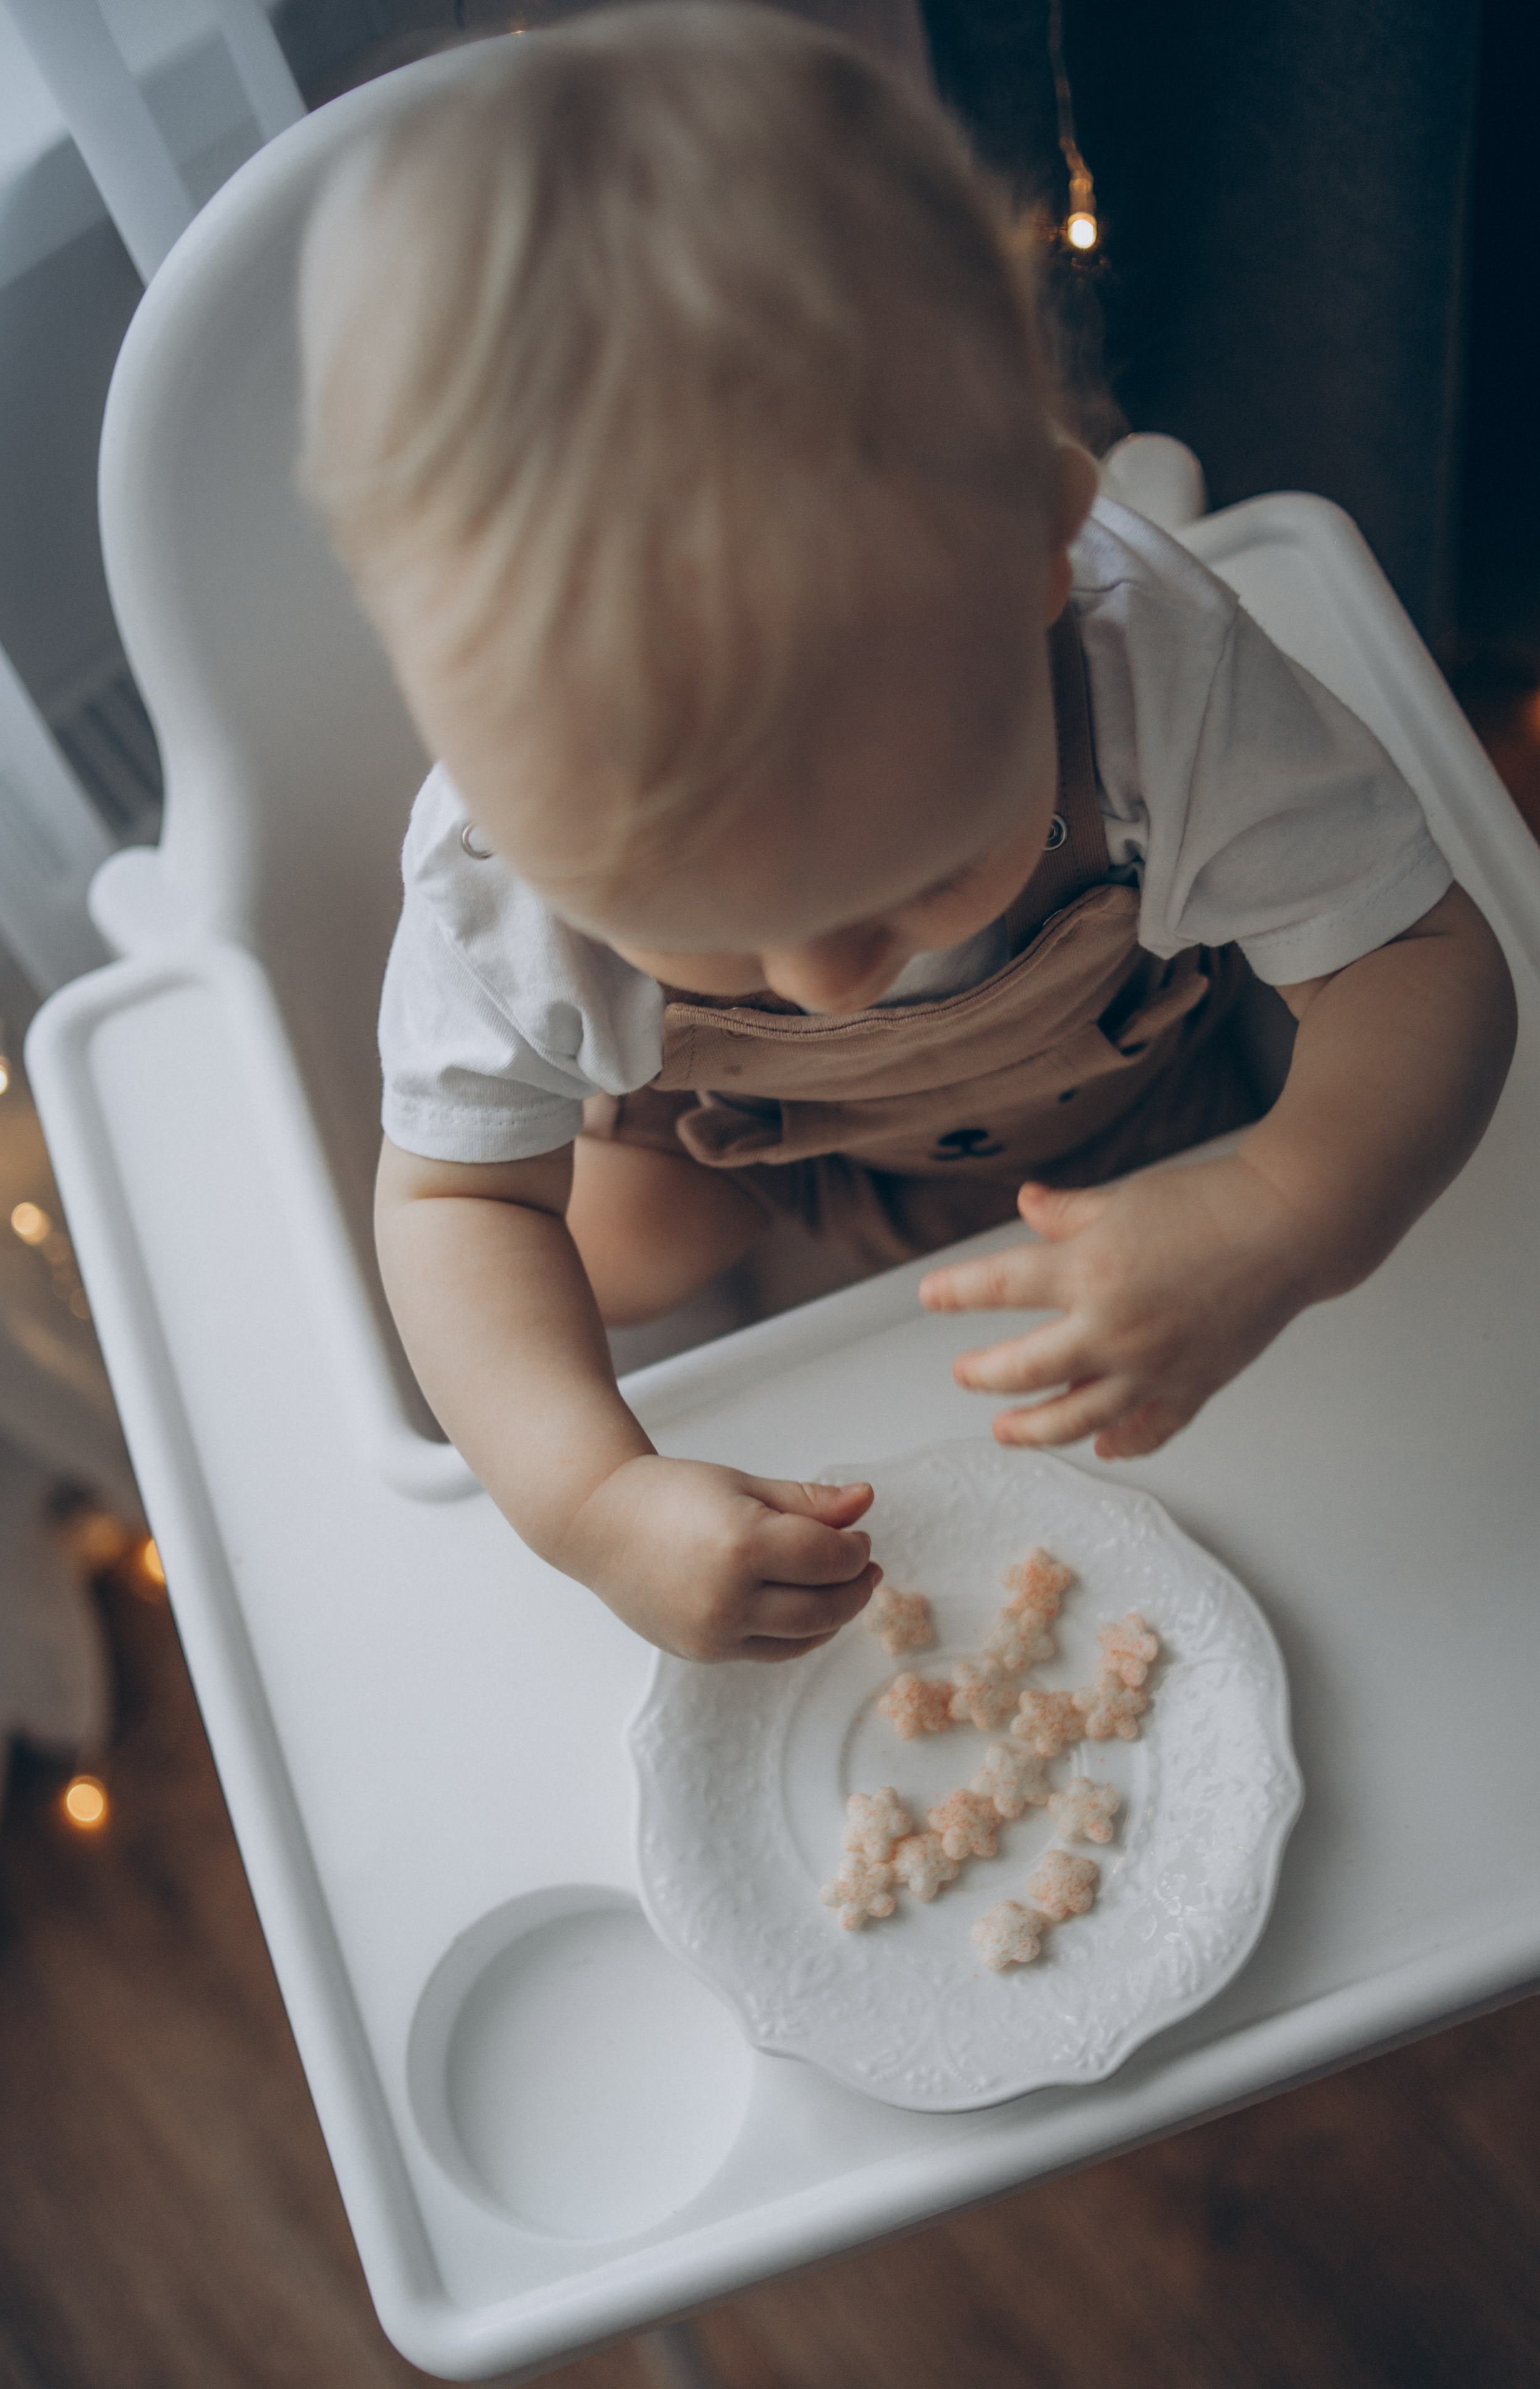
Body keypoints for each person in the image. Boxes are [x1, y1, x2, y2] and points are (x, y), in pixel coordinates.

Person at [297, 2, 1514, 1664]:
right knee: (601, 1249)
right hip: (791, 1167)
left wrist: (1288, 1212)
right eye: (701, 928)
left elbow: (1431, 965)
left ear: (1044, 550)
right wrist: (589, 1502)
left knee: (1344, 1152)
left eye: (919, 876)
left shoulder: (1153, 672)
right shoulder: (504, 877)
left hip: (1142, 1102)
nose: (828, 982)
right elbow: (445, 1209)